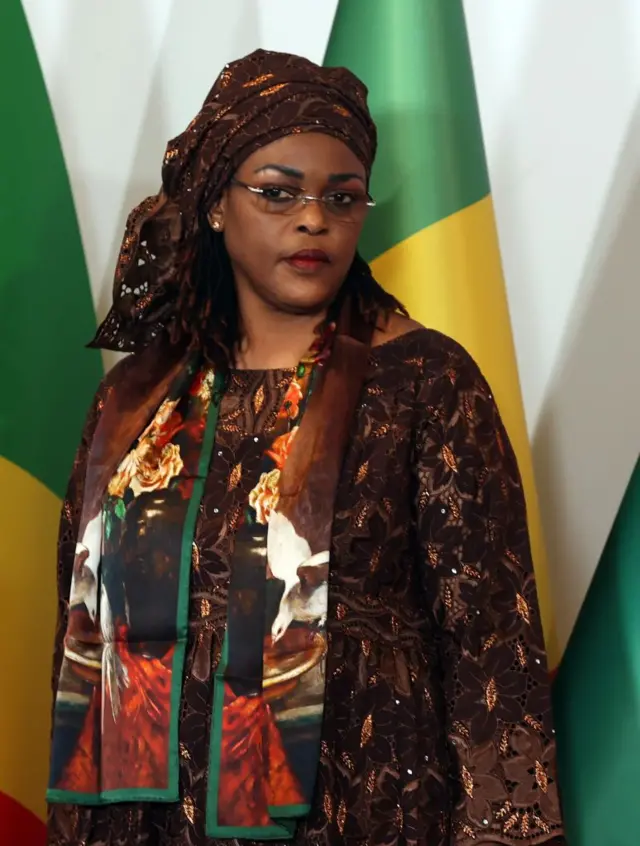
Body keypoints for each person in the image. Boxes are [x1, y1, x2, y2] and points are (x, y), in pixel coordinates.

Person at [46, 49, 565, 846]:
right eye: (278, 192)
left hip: (366, 810)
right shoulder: (135, 399)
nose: (314, 219)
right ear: (215, 204)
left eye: (342, 197)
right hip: (148, 823)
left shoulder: (425, 381)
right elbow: (79, 635)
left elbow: (494, 642)